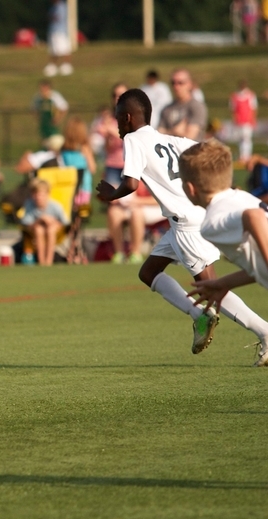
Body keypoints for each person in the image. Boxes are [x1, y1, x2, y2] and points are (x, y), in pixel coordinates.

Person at [95, 89, 268, 358]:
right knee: (148, 273)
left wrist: (110, 194)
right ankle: (199, 315)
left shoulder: (132, 139)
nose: (117, 125)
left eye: (118, 118)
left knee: (213, 289)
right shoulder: (170, 139)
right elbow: (207, 154)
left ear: (127, 117)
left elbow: (130, 183)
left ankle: (264, 332)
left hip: (187, 225)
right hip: (184, 222)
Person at [183, 141, 268, 365]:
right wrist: (224, 283)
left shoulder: (211, 223)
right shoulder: (241, 196)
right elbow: (258, 268)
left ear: (190, 189)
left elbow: (254, 218)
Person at [20, 179, 68, 266]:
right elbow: (26, 224)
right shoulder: (29, 205)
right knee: (39, 229)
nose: (38, 197)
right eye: (36, 194)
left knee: (51, 229)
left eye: (41, 195)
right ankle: (41, 262)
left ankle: (49, 262)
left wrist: (53, 222)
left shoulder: (55, 206)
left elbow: (65, 223)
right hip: (36, 232)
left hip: (55, 232)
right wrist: (40, 220)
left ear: (48, 194)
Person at [157, 69, 207, 142]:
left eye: (180, 83)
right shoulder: (167, 109)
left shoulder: (196, 107)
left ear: (189, 84)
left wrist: (168, 132)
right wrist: (175, 131)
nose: (176, 87)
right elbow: (158, 135)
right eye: (173, 83)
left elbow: (190, 137)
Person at [230, 79, 258, 162]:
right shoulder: (235, 96)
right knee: (240, 138)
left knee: (247, 138)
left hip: (247, 121)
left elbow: (253, 108)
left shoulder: (250, 95)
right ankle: (242, 155)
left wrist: (252, 119)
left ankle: (247, 155)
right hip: (239, 121)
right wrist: (235, 119)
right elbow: (233, 109)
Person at [44, 0, 71, 76]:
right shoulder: (53, 7)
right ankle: (53, 66)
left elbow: (57, 17)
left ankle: (66, 65)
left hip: (60, 30)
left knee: (64, 48)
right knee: (54, 50)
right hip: (53, 30)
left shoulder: (61, 7)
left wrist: (51, 17)